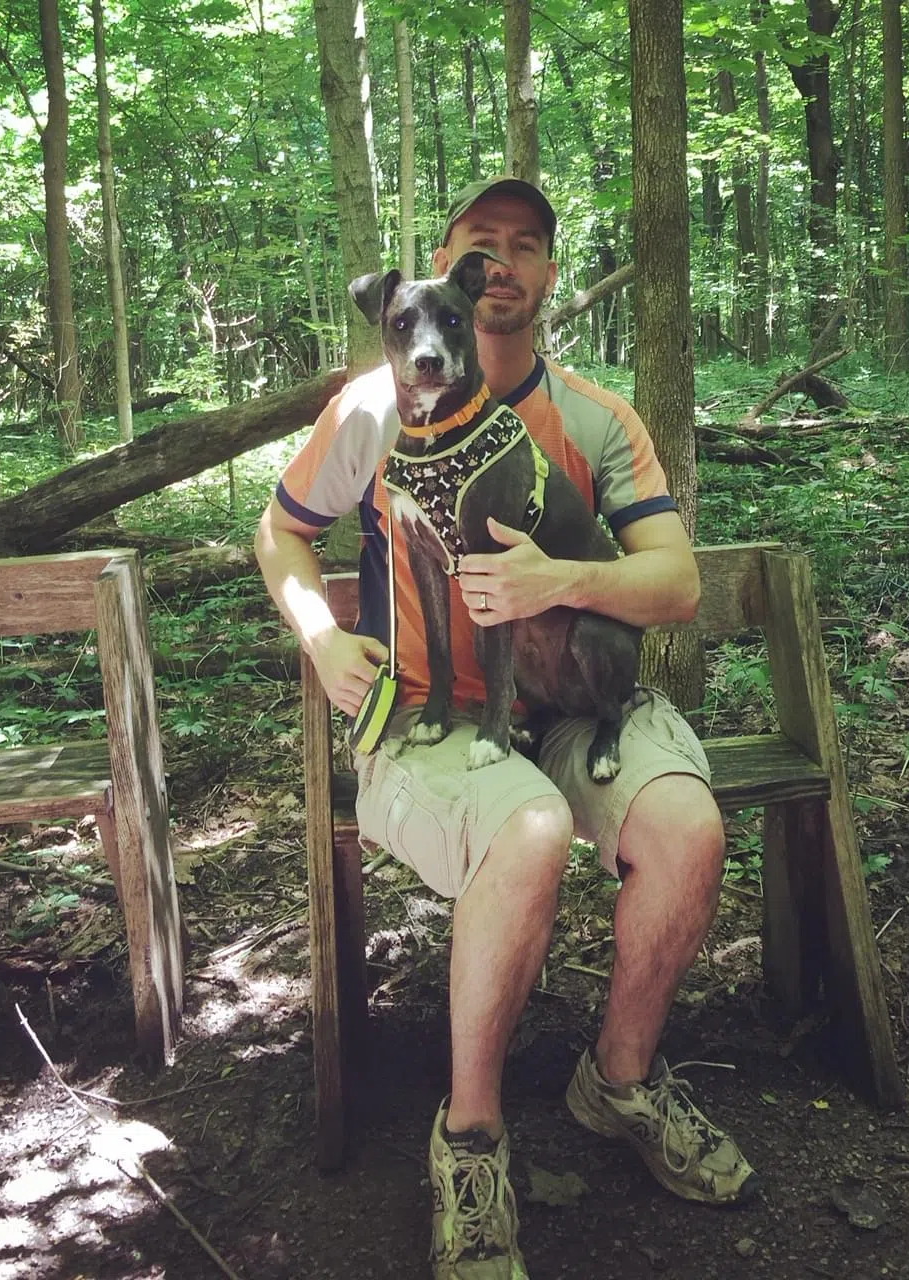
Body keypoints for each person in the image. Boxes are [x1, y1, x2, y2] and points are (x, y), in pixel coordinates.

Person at [256, 176, 755, 1280]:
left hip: (573, 701)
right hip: (429, 716)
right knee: (527, 830)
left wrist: (561, 578)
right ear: (446, 268)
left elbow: (675, 585)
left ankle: (618, 1081)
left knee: (687, 830)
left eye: (527, 245)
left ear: (539, 277)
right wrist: (322, 640)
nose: (505, 261)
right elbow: (279, 535)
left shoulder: (594, 417)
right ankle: (471, 1141)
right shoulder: (369, 414)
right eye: (484, 240)